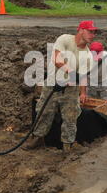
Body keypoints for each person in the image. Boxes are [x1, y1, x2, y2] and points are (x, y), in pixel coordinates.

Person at [25, 21, 97, 152]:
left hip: (70, 90)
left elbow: (82, 77)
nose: (93, 35)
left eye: (94, 32)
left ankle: (67, 145)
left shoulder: (87, 55)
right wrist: (71, 73)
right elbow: (57, 59)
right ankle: (38, 138)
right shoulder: (64, 39)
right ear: (80, 30)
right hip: (52, 84)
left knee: (70, 117)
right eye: (90, 31)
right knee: (44, 111)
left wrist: (82, 92)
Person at [86, 41, 107, 108]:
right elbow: (82, 77)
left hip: (105, 83)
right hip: (91, 82)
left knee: (106, 105)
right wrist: (83, 93)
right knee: (88, 104)